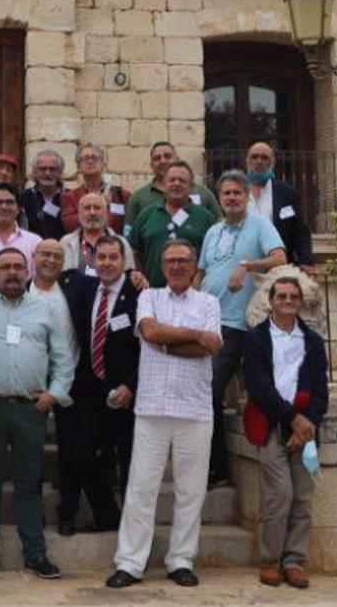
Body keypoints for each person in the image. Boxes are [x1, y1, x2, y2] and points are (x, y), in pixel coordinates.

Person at [107, 240, 221, 590]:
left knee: (191, 491)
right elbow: (150, 332)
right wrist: (193, 337)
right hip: (153, 407)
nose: (176, 267)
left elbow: (212, 346)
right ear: (161, 265)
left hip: (195, 409)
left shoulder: (209, 302)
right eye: (170, 260)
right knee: (141, 487)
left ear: (194, 265)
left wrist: (170, 343)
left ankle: (181, 560)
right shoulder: (149, 298)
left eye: (182, 261)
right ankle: (130, 562)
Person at [0, 248, 75, 579]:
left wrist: (55, 394)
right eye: (5, 267)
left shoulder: (44, 308)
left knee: (29, 483)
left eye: (18, 267)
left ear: (26, 269)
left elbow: (63, 358)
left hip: (32, 408)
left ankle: (36, 554)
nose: (13, 273)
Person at [198, 170, 286, 486]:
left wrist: (247, 266)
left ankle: (217, 468)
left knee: (208, 392)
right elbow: (201, 273)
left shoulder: (260, 225)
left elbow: (279, 258)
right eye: (226, 194)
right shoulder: (212, 231)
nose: (231, 198)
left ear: (247, 196)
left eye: (237, 193)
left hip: (235, 325)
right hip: (206, 322)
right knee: (201, 391)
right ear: (219, 198)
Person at [242, 277, 328, 589]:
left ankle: (294, 562)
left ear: (301, 301)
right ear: (272, 300)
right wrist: (292, 419)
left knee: (302, 498)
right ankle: (269, 560)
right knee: (280, 494)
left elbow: (321, 390)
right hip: (271, 425)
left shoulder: (313, 342)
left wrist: (306, 424)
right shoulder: (255, 338)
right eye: (282, 296)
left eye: (294, 296)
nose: (288, 301)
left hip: (304, 429)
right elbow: (258, 386)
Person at [56, 237, 141, 536]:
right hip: (93, 392)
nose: (106, 263)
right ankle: (107, 516)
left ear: (124, 261)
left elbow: (148, 349)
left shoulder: (139, 294)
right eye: (100, 257)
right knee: (80, 454)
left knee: (129, 462)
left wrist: (131, 386)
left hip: (129, 395)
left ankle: (134, 528)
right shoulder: (86, 289)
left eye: (112, 257)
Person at [127, 160, 216, 287]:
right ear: (164, 184)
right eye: (172, 180)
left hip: (193, 298)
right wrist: (140, 276)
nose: (176, 184)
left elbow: (212, 258)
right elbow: (133, 250)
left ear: (191, 186)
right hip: (152, 295)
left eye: (182, 180)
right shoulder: (147, 215)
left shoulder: (205, 217)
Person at [123, 141, 221, 233]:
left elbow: (219, 227)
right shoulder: (138, 197)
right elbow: (129, 234)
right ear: (151, 165)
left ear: (177, 159)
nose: (163, 161)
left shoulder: (203, 193)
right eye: (157, 158)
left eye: (167, 156)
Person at [245, 143, 315, 268]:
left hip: (277, 266)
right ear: (247, 161)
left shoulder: (287, 194)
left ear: (272, 162)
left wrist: (306, 261)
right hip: (244, 265)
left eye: (264, 157)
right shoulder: (235, 192)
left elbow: (299, 231)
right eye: (254, 157)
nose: (259, 161)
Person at [60, 192, 140, 278]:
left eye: (97, 208)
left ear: (106, 213)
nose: (92, 213)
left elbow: (130, 278)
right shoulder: (65, 243)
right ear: (79, 213)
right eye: (87, 208)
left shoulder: (122, 243)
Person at [62, 143, 131, 234]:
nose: (90, 161)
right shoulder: (70, 197)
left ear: (103, 163)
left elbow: (129, 224)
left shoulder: (121, 195)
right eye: (86, 158)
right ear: (78, 166)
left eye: (94, 158)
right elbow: (69, 225)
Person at [19, 148, 68, 241]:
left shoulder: (71, 197)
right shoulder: (24, 198)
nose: (47, 173)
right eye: (42, 169)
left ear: (60, 172)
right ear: (35, 172)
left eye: (52, 169)